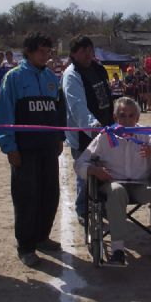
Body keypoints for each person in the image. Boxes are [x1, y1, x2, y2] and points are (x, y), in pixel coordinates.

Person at [0, 32, 65, 268]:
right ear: (28, 51)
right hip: (24, 150)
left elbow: (58, 111)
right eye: (41, 51)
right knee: (27, 197)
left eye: (48, 52)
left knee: (49, 194)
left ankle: (42, 237)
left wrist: (59, 136)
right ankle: (25, 246)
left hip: (48, 147)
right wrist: (9, 146)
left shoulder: (51, 78)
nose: (46, 56)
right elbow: (4, 114)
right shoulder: (13, 78)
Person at [75, 96, 151, 267]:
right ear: (115, 117)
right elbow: (80, 163)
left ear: (138, 118)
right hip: (114, 184)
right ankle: (118, 251)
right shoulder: (105, 136)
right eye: (122, 115)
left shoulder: (145, 134)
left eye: (131, 116)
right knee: (117, 192)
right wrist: (95, 170)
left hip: (141, 184)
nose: (127, 120)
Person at [62, 35, 115, 224]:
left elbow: (107, 97)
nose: (87, 54)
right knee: (86, 172)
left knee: (107, 169)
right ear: (74, 53)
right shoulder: (72, 74)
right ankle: (83, 209)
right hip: (84, 133)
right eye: (83, 51)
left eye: (90, 50)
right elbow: (77, 107)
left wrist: (114, 117)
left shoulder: (99, 69)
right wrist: (93, 127)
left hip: (107, 128)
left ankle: (104, 206)